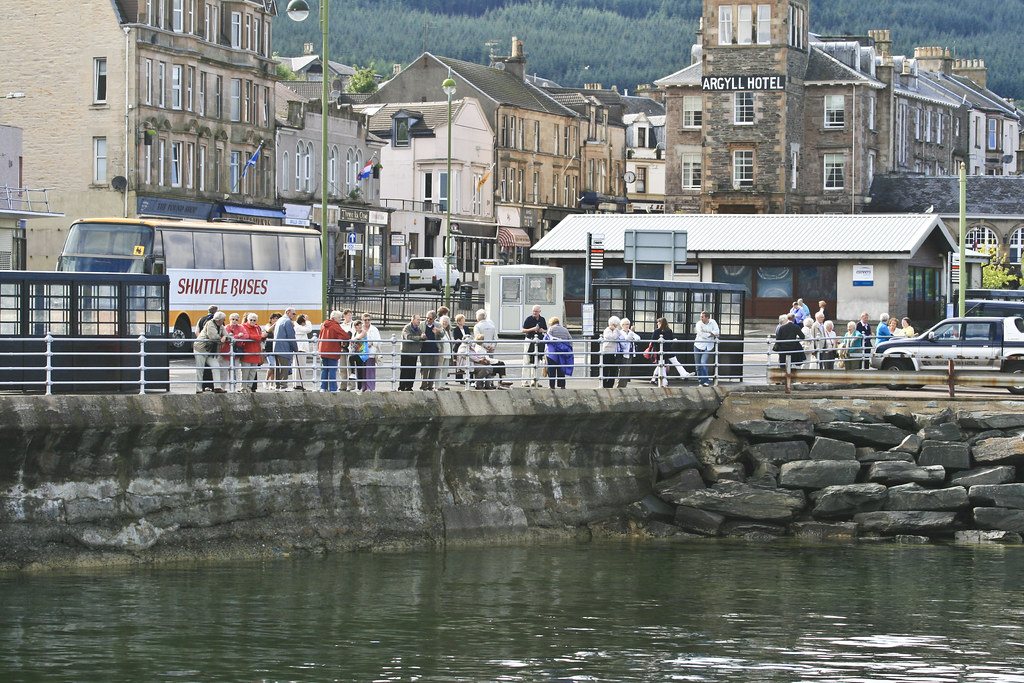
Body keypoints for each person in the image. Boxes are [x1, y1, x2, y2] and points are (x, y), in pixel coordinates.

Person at [193, 310, 228, 393]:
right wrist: (222, 339)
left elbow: (226, 334)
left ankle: (217, 387)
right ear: (220, 320)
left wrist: (225, 337)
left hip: (210, 351)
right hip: (201, 348)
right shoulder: (210, 324)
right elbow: (213, 336)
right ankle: (198, 389)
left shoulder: (221, 326)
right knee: (200, 369)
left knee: (216, 366)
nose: (224, 321)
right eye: (223, 319)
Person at [473, 309, 510, 385]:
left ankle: (483, 382)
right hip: (491, 349)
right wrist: (492, 346)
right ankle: (490, 382)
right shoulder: (491, 325)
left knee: (486, 363)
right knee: (491, 363)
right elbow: (496, 338)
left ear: (478, 318)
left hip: (481, 348)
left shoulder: (477, 326)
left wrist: (486, 346)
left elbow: (477, 338)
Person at [651, 317, 690, 386]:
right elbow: (671, 340)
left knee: (661, 366)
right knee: (676, 362)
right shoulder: (669, 331)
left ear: (661, 323)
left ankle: (663, 382)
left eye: (658, 322)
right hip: (669, 349)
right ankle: (684, 374)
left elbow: (653, 341)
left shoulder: (656, 331)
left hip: (661, 351)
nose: (657, 324)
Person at [235, 313, 264, 392]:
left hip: (255, 353)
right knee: (245, 372)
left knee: (252, 372)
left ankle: (249, 387)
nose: (252, 321)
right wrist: (257, 337)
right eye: (251, 320)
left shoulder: (257, 327)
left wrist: (256, 337)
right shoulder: (243, 326)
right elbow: (247, 336)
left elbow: (260, 337)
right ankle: (243, 388)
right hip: (247, 353)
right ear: (247, 319)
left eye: (254, 320)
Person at [317, 310, 345, 392]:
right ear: (334, 318)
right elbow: (344, 335)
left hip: (323, 350)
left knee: (324, 369)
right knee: (332, 370)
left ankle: (323, 387)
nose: (340, 319)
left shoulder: (324, 325)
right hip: (332, 350)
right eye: (339, 317)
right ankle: (333, 388)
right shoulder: (335, 325)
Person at [521, 305, 548, 387]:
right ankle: (524, 381)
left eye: (536, 311)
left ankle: (535, 380)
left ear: (539, 311)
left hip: (539, 341)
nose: (534, 313)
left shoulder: (542, 319)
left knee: (537, 361)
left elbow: (546, 330)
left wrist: (543, 330)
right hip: (530, 340)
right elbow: (523, 330)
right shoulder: (529, 319)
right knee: (526, 361)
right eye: (533, 311)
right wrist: (532, 329)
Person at [543, 316, 573, 389]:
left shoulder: (551, 329)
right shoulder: (565, 330)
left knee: (552, 370)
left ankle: (552, 386)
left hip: (552, 354)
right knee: (561, 370)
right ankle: (562, 386)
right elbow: (570, 340)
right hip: (562, 353)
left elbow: (546, 340)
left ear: (551, 323)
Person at [273, 308, 298, 390]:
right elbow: (291, 336)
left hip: (276, 347)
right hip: (284, 347)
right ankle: (283, 385)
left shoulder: (280, 320)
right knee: (284, 367)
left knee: (278, 368)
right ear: (288, 313)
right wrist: (295, 348)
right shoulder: (287, 322)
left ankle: (277, 385)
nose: (294, 316)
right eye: (293, 314)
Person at [399, 314, 425, 391]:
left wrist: (423, 336)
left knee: (412, 370)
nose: (419, 321)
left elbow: (423, 336)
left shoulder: (418, 329)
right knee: (405, 370)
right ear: (413, 320)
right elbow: (408, 337)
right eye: (418, 320)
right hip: (406, 352)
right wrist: (420, 337)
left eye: (419, 320)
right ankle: (402, 386)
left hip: (414, 353)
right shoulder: (407, 328)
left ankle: (409, 386)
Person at [196, 305, 218, 392]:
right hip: (211, 347)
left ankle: (203, 386)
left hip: (202, 346)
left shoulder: (202, 319)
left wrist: (202, 340)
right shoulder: (216, 320)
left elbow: (197, 331)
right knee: (213, 366)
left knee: (203, 367)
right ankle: (212, 385)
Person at [694, 310, 720, 386]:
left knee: (703, 362)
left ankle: (706, 381)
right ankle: (700, 381)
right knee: (698, 365)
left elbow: (717, 332)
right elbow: (700, 333)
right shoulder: (699, 323)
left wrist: (706, 332)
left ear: (707, 317)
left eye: (702, 317)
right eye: (701, 317)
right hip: (698, 345)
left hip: (708, 346)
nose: (701, 318)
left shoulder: (713, 322)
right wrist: (711, 333)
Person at [419, 310, 442, 390]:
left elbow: (442, 334)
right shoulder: (422, 324)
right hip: (424, 349)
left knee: (433, 368)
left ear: (434, 318)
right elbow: (418, 332)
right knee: (425, 368)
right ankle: (424, 385)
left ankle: (430, 385)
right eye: (427, 318)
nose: (428, 320)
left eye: (430, 319)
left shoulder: (438, 325)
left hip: (435, 349)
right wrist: (421, 335)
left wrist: (438, 332)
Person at [616, 317, 641, 388]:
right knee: (622, 369)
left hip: (630, 352)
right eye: (626, 324)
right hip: (623, 353)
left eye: (628, 324)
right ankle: (620, 384)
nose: (627, 326)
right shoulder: (621, 333)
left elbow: (638, 338)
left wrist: (632, 337)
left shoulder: (630, 332)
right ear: (622, 325)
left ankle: (624, 384)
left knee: (627, 369)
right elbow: (627, 339)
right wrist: (632, 333)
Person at [292, 313, 313, 390]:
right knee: (300, 367)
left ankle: (297, 383)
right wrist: (308, 321)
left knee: (298, 367)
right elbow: (309, 329)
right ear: (303, 322)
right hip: (300, 349)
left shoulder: (297, 327)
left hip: (300, 349)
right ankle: (299, 384)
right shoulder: (298, 328)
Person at [360, 313, 381, 392]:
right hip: (361, 352)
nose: (367, 321)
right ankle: (363, 387)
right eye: (365, 320)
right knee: (361, 370)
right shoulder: (359, 328)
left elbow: (378, 341)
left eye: (369, 320)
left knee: (370, 370)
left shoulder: (374, 329)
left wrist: (372, 343)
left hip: (371, 352)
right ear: (362, 320)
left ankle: (370, 387)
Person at [224, 312, 245, 389]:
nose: (234, 321)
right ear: (229, 320)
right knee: (224, 372)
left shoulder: (240, 327)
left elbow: (246, 336)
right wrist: (238, 336)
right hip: (225, 353)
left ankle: (233, 388)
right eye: (233, 319)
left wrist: (236, 338)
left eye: (236, 319)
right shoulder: (226, 328)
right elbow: (227, 338)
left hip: (236, 353)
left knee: (235, 372)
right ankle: (222, 388)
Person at [601, 316, 623, 389]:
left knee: (613, 369)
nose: (616, 326)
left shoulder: (616, 330)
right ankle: (604, 383)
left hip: (613, 352)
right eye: (616, 324)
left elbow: (620, 335)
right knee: (605, 368)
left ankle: (610, 384)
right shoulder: (607, 330)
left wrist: (616, 331)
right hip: (606, 351)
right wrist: (615, 332)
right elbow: (613, 337)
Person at [263, 312, 281, 390]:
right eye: (274, 318)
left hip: (277, 348)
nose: (275, 320)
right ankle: (266, 380)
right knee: (272, 364)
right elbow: (268, 330)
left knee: (275, 366)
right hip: (269, 348)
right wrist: (275, 325)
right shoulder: (268, 325)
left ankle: (271, 384)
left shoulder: (280, 327)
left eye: (277, 318)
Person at [339, 309, 356, 390]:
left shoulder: (353, 324)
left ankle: (351, 385)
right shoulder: (341, 325)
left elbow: (353, 334)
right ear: (344, 316)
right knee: (342, 367)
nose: (350, 316)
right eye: (348, 315)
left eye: (350, 315)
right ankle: (343, 384)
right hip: (342, 347)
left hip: (350, 348)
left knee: (350, 367)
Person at [452, 313, 471, 381]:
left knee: (467, 362)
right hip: (458, 347)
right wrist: (461, 340)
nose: (464, 321)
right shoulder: (456, 329)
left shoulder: (466, 328)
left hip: (466, 347)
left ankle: (468, 377)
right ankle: (459, 377)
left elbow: (469, 335)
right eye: (463, 320)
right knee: (459, 362)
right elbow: (455, 338)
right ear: (459, 322)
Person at [349, 319, 366, 392]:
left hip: (362, 352)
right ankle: (359, 387)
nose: (360, 326)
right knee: (359, 369)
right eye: (358, 325)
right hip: (356, 351)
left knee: (352, 359)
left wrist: (352, 340)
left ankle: (360, 387)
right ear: (355, 327)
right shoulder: (355, 333)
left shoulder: (363, 332)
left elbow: (359, 337)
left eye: (360, 325)